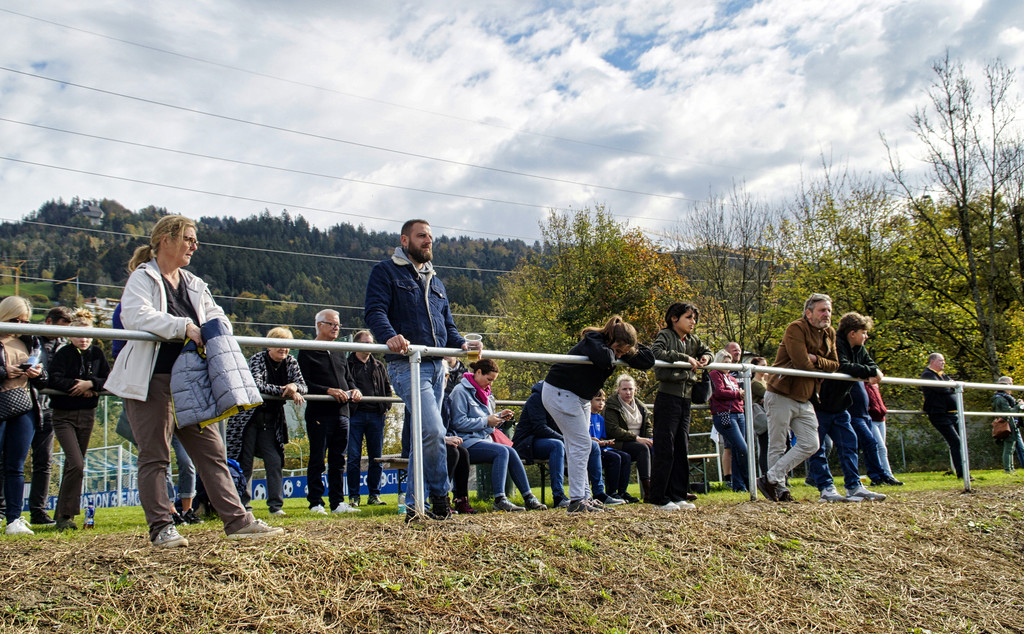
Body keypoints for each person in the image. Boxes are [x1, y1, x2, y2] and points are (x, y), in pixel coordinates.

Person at [105, 215, 283, 548]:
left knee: (212, 453)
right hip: (151, 380)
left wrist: (216, 330)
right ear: (166, 240)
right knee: (155, 455)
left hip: (192, 383)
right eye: (188, 238)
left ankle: (238, 521)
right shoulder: (142, 277)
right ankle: (162, 527)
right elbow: (135, 315)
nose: (194, 246)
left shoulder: (194, 283)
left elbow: (217, 316)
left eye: (194, 240)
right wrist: (183, 326)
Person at [363, 219, 480, 522]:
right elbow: (374, 311)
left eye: (430, 236)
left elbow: (448, 327)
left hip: (437, 366)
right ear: (405, 241)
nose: (428, 241)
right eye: (421, 236)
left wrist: (462, 344)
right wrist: (390, 336)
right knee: (434, 431)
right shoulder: (385, 271)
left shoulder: (436, 282)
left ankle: (415, 507)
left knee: (423, 437)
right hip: (406, 365)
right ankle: (441, 498)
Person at [542, 316, 655, 513]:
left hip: (581, 397)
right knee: (581, 444)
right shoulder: (593, 339)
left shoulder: (612, 347)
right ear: (610, 339)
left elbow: (648, 360)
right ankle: (577, 500)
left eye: (623, 353)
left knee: (583, 446)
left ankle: (585, 497)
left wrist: (628, 348)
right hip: (561, 392)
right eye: (618, 350)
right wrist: (617, 351)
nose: (620, 356)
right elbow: (605, 359)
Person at [757, 293, 840, 503]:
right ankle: (780, 490)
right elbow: (802, 363)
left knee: (811, 443)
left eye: (829, 310)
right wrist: (819, 366)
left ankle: (770, 478)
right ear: (809, 313)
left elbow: (835, 365)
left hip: (805, 397)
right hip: (781, 393)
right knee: (778, 445)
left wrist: (816, 359)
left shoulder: (830, 332)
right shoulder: (796, 328)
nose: (827, 314)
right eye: (822, 310)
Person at [228, 326, 306, 516]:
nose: (283, 349)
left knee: (275, 460)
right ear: (269, 346)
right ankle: (243, 505)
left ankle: (276, 506)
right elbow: (257, 385)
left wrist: (294, 386)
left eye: (286, 345)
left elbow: (303, 385)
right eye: (279, 344)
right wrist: (286, 390)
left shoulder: (291, 362)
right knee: (245, 462)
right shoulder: (257, 359)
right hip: (249, 418)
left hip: (271, 420)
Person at [809, 312, 887, 502]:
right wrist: (870, 372)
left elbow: (870, 364)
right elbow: (842, 365)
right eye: (863, 333)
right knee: (817, 447)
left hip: (840, 405)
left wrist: (873, 370)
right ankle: (826, 487)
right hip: (820, 404)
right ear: (852, 333)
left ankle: (854, 486)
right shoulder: (836, 343)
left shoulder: (859, 348)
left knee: (849, 444)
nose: (866, 336)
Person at [449, 359, 546, 512]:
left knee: (511, 451)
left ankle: (529, 497)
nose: (490, 384)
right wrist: (487, 421)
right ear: (478, 373)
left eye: (493, 381)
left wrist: (499, 417)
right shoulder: (460, 391)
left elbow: (487, 420)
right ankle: (500, 499)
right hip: (466, 441)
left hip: (484, 439)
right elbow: (458, 423)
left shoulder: (487, 393)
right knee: (501, 451)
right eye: (489, 379)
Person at [47, 311, 111, 530]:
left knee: (74, 465)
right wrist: (76, 387)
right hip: (63, 414)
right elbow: (54, 378)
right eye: (78, 335)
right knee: (76, 463)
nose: (83, 339)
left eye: (87, 335)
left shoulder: (97, 354)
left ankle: (63, 515)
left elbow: (108, 378)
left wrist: (91, 384)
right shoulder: (64, 354)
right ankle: (66, 514)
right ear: (70, 336)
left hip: (87, 414)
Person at [649, 302, 712, 510]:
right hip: (667, 397)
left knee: (681, 447)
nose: (693, 322)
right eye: (689, 317)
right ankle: (659, 497)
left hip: (686, 400)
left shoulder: (693, 340)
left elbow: (708, 351)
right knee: (665, 447)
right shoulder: (665, 335)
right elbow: (656, 352)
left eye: (695, 318)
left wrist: (706, 357)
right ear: (674, 318)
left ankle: (678, 494)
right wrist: (684, 358)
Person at [298, 309, 361, 515]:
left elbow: (348, 379)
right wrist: (327, 390)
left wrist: (355, 389)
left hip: (342, 413)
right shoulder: (307, 350)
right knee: (318, 458)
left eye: (338, 325)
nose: (336, 328)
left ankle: (337, 502)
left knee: (338, 459)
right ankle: (315, 502)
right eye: (332, 324)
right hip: (319, 413)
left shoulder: (339, 351)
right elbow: (304, 382)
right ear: (319, 325)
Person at [0, 296, 47, 536]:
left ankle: (14, 518)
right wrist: (3, 371)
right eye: (15, 320)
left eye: (25, 321)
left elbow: (45, 378)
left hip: (24, 405)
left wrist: (37, 373)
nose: (20, 325)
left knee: (16, 465)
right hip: (3, 401)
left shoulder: (30, 341)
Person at [347, 330, 392, 508]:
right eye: (365, 343)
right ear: (356, 344)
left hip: (376, 416)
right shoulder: (347, 364)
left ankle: (374, 494)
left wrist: (386, 407)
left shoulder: (378, 365)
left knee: (376, 457)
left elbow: (387, 388)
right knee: (353, 457)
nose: (369, 346)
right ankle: (354, 496)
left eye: (371, 343)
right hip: (355, 415)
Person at [511, 381, 569, 508]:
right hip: (527, 443)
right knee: (557, 445)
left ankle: (591, 494)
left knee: (590, 446)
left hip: (549, 441)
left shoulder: (562, 399)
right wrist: (566, 440)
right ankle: (559, 496)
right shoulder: (536, 399)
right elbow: (540, 428)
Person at [602, 374, 653, 501]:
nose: (628, 392)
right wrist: (636, 438)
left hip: (639, 441)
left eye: (630, 389)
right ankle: (648, 490)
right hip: (619, 442)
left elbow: (648, 426)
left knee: (660, 447)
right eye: (624, 389)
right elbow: (613, 430)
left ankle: (666, 488)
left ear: (635, 389)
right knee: (642, 448)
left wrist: (650, 438)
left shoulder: (641, 406)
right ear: (618, 390)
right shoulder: (612, 406)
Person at [919, 353, 965, 479]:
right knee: (956, 441)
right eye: (941, 360)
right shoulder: (927, 374)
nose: (943, 363)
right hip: (939, 414)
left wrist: (949, 386)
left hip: (952, 414)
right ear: (932, 361)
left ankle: (964, 472)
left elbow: (951, 387)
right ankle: (962, 474)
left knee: (960, 442)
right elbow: (941, 389)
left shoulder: (942, 375)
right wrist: (950, 386)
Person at [709, 349, 749, 493]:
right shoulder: (714, 374)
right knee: (742, 448)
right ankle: (747, 480)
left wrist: (739, 396)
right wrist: (738, 393)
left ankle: (739, 485)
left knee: (738, 449)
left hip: (739, 414)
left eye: (729, 362)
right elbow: (719, 392)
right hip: (725, 415)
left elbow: (738, 395)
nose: (728, 365)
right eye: (725, 362)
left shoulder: (732, 378)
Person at [589, 390, 639, 503]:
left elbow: (602, 437)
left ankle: (622, 492)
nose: (601, 403)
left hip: (603, 448)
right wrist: (594, 441)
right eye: (597, 400)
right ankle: (611, 492)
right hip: (593, 451)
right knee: (614, 458)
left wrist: (605, 442)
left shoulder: (600, 418)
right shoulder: (585, 416)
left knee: (626, 456)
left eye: (603, 400)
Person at [864, 383, 903, 485]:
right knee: (880, 447)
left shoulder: (874, 385)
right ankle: (886, 475)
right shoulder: (862, 384)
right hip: (871, 419)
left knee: (882, 448)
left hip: (881, 419)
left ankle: (885, 475)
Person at [992, 376, 1024, 473]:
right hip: (1007, 425)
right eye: (1010, 384)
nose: (1011, 386)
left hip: (1011, 424)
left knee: (1012, 448)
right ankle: (1008, 469)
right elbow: (1008, 412)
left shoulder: (1004, 398)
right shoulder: (1001, 399)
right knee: (1009, 448)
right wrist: (1018, 406)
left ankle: (1011, 469)